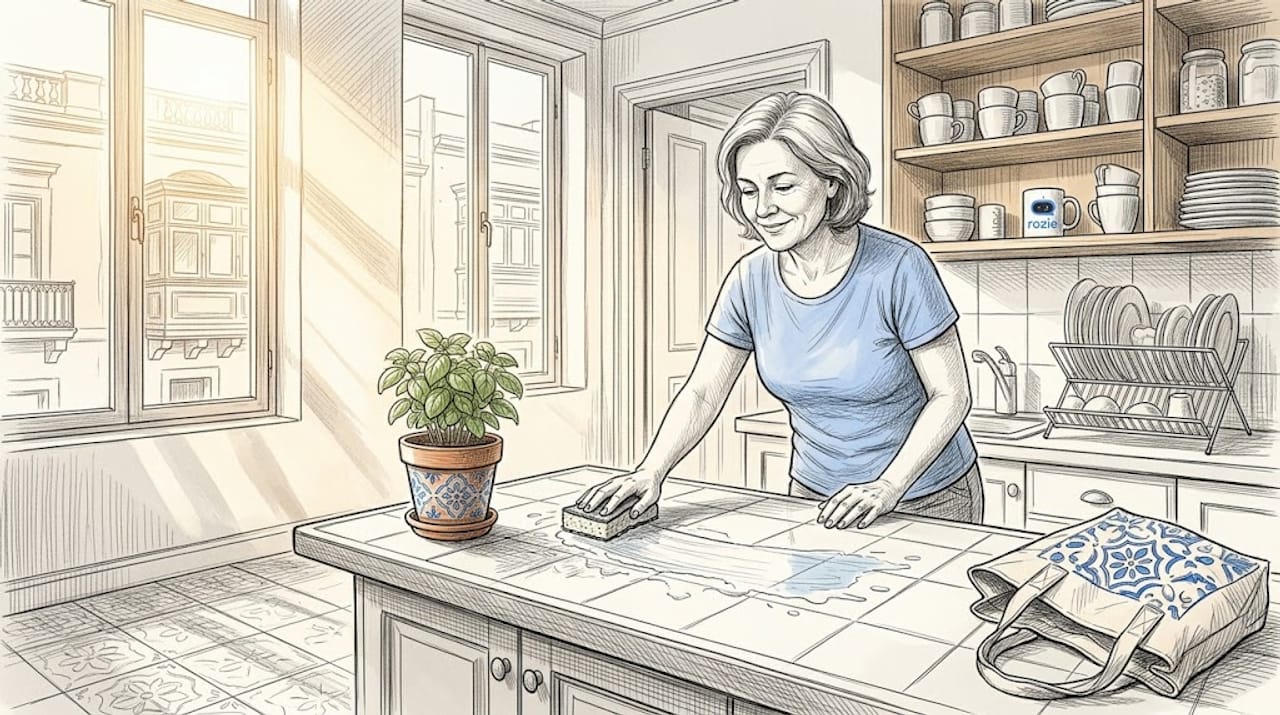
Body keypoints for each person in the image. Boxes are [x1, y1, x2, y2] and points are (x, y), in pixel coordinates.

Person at [576, 90, 981, 530]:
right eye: (749, 191)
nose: (763, 209)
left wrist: (887, 487)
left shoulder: (899, 267)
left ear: (832, 181)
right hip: (815, 497)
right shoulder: (750, 280)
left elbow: (951, 394)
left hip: (928, 496)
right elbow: (703, 391)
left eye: (783, 186)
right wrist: (651, 471)